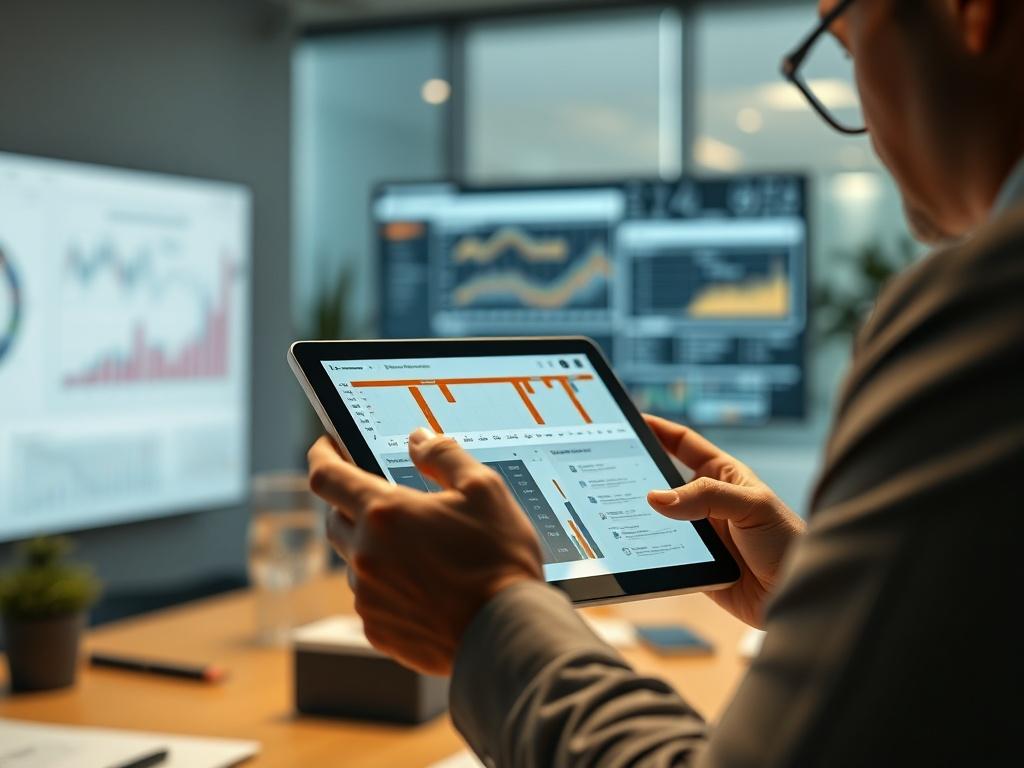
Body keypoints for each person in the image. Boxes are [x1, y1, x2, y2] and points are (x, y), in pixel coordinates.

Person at [307, 0, 1024, 763]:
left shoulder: (993, 308)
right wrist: (830, 606)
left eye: (844, 47)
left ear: (968, 13)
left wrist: (488, 615)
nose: (859, 111)